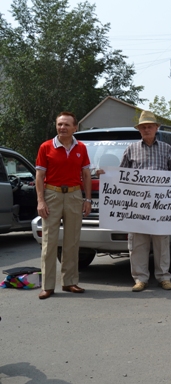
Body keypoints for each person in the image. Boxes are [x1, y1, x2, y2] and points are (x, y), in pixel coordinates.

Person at [119, 111, 171, 292]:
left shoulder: (166, 148)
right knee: (138, 243)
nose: (146, 129)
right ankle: (140, 279)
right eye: (143, 127)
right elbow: (121, 175)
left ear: (156, 128)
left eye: (149, 126)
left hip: (160, 206)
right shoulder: (130, 149)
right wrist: (106, 175)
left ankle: (164, 277)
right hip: (137, 205)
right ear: (139, 130)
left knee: (162, 242)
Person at [35, 111, 92, 300]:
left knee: (72, 241)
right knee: (49, 242)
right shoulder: (46, 147)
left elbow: (86, 175)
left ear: (75, 127)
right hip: (52, 194)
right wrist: (41, 200)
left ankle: (69, 282)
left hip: (75, 195)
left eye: (67, 124)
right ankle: (48, 286)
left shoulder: (81, 148)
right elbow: (39, 177)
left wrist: (88, 199)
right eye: (60, 124)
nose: (63, 128)